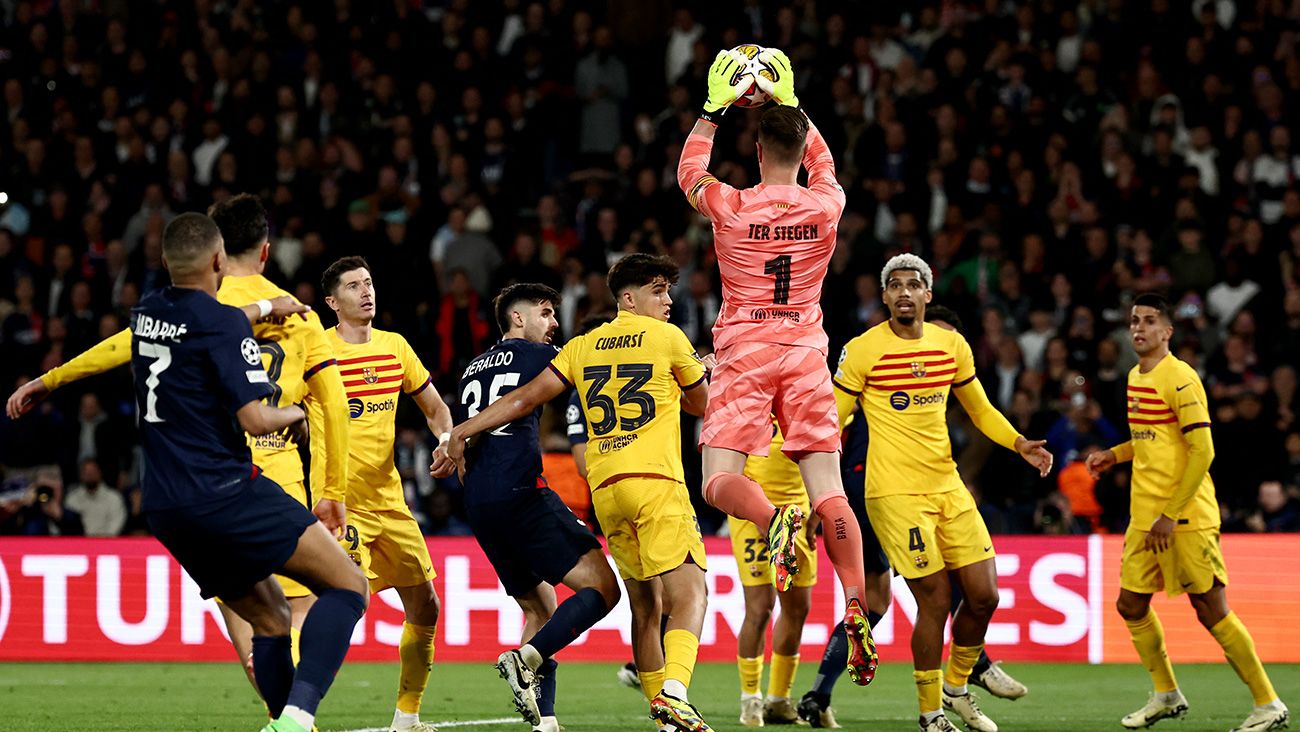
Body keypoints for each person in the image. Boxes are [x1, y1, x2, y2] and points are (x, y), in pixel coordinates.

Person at [4, 194, 348, 697]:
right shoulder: (300, 317)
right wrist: (332, 487)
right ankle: (297, 709)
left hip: (188, 484)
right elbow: (333, 405)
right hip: (265, 473)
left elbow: (123, 344)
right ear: (266, 252)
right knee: (322, 596)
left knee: (245, 605)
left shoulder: (176, 306)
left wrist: (52, 378)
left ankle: (275, 693)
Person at [443, 254, 713, 732]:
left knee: (644, 606)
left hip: (606, 491)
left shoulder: (583, 345)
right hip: (654, 481)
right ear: (629, 298)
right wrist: (700, 370)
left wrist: (462, 430)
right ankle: (674, 694)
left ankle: (660, 716)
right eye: (659, 291)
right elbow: (700, 404)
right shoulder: (669, 338)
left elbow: (525, 398)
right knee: (690, 593)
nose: (669, 300)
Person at [676, 47, 876, 686]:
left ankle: (773, 520)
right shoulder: (828, 206)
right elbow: (821, 160)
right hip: (807, 352)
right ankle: (855, 599)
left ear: (758, 154)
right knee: (831, 491)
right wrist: (785, 101)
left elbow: (689, 173)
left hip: (746, 353)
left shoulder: (732, 207)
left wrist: (715, 109)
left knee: (717, 481)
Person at [134, 212, 366, 732]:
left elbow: (209, 318)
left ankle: (281, 722)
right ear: (219, 261)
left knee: (269, 616)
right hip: (226, 492)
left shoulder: (146, 313)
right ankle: (300, 715)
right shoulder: (223, 323)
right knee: (348, 585)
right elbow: (256, 417)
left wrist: (265, 306)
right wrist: (296, 414)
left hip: (165, 506)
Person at [832, 254, 1053, 732]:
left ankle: (956, 687)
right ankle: (931, 714)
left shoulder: (951, 345)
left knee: (984, 595)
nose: (905, 292)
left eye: (915, 285)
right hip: (893, 493)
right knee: (933, 598)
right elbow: (834, 418)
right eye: (896, 285)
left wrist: (1019, 443)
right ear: (886, 297)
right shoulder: (864, 350)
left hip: (946, 485)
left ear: (928, 296)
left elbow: (980, 409)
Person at [797, 305, 1028, 729]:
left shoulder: (940, 369)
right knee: (921, 596)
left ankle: (822, 693)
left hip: (926, 491)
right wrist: (822, 497)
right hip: (873, 493)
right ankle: (966, 675)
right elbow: (833, 420)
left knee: (921, 596)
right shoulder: (876, 366)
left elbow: (977, 410)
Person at [1086, 293, 1289, 732]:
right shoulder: (1135, 376)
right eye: (1135, 320)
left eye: (1150, 321)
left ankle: (1268, 703)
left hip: (1184, 517)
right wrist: (1114, 455)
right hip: (1145, 516)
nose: (1139, 328)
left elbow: (1203, 450)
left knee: (1211, 609)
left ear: (1168, 331)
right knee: (1130, 604)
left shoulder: (1181, 378)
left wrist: (1171, 515)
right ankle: (1166, 693)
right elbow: (1152, 441)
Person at [451, 283, 620, 732]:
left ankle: (545, 722)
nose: (553, 324)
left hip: (479, 503)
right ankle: (524, 659)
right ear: (518, 319)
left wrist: (455, 438)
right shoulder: (537, 356)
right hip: (520, 491)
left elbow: (468, 433)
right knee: (602, 589)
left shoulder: (471, 368)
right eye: (546, 313)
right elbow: (600, 365)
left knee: (541, 610)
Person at [313, 256, 454, 732]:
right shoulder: (316, 352)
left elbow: (435, 408)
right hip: (339, 504)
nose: (366, 292)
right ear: (332, 302)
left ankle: (407, 717)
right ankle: (295, 714)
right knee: (341, 608)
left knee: (427, 606)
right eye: (353, 287)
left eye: (369, 283)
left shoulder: (395, 347)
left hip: (390, 502)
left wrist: (446, 440)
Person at [731, 423, 817, 727]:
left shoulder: (811, 396)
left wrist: (819, 505)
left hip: (797, 512)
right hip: (750, 511)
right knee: (760, 606)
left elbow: (825, 452)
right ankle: (750, 699)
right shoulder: (750, 396)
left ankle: (778, 700)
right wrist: (757, 511)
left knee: (798, 606)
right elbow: (729, 458)